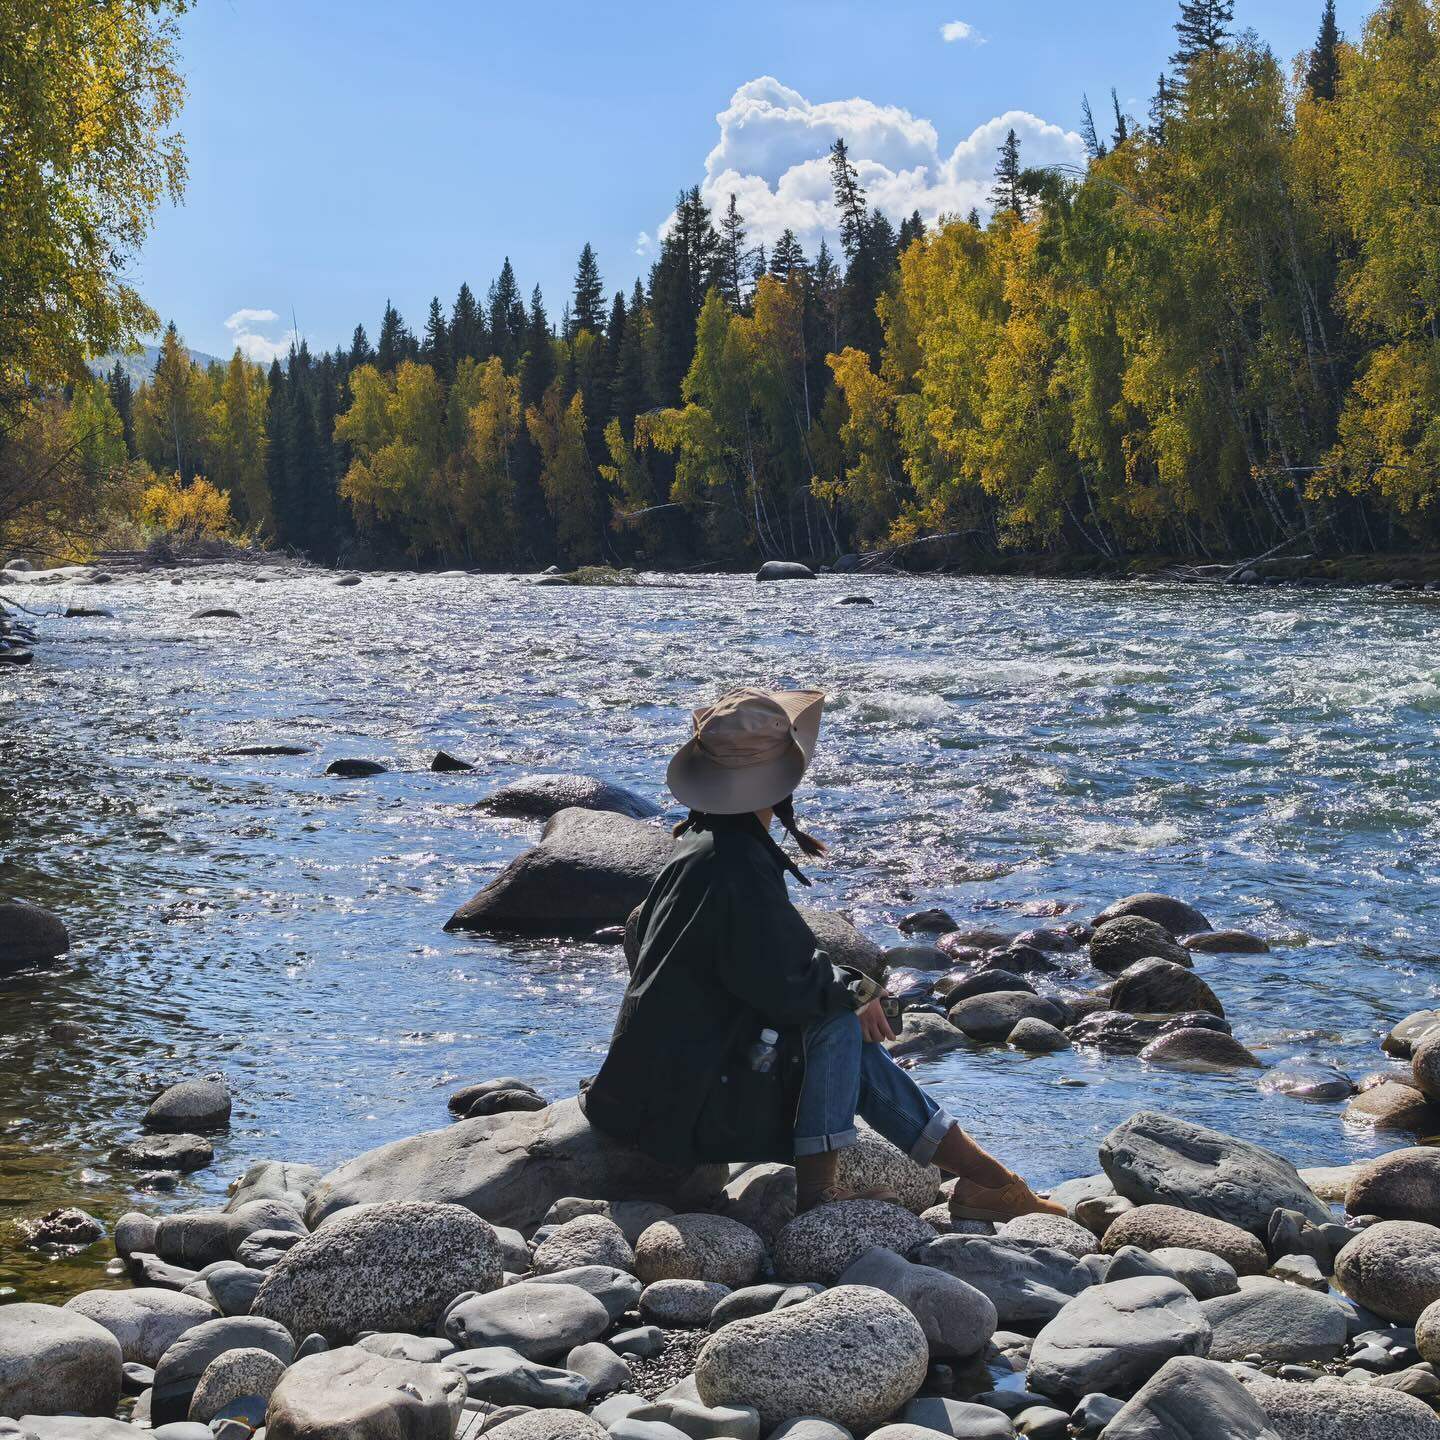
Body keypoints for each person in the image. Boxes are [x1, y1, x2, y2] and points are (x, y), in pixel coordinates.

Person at [582, 686, 1064, 1221]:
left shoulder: (706, 842)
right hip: (678, 1104)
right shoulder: (736, 864)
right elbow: (785, 987)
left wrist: (852, 989)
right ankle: (824, 1200)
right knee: (835, 1025)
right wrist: (855, 993)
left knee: (845, 1020)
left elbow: (768, 963)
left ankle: (991, 1183)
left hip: (656, 1081)